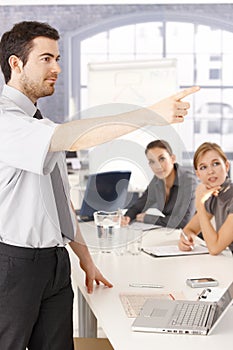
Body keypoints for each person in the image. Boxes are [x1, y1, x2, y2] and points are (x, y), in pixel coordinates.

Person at [0, 20, 199, 350]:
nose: (57, 68)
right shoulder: (6, 121)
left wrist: (86, 260)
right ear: (16, 63)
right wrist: (148, 115)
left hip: (55, 262)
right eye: (46, 58)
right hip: (14, 264)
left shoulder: (42, 125)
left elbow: (60, 202)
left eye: (58, 58)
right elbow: (72, 135)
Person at [121, 139, 197, 228]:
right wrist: (127, 217)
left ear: (172, 159)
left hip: (196, 236)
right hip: (174, 233)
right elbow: (140, 205)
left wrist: (148, 218)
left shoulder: (189, 182)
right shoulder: (158, 180)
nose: (157, 166)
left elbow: (184, 221)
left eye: (162, 159)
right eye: (152, 161)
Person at [178, 142, 233, 255]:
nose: (210, 171)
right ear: (198, 174)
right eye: (203, 167)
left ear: (226, 166)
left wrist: (200, 203)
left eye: (216, 164)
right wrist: (186, 240)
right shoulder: (215, 195)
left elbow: (214, 248)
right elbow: (190, 230)